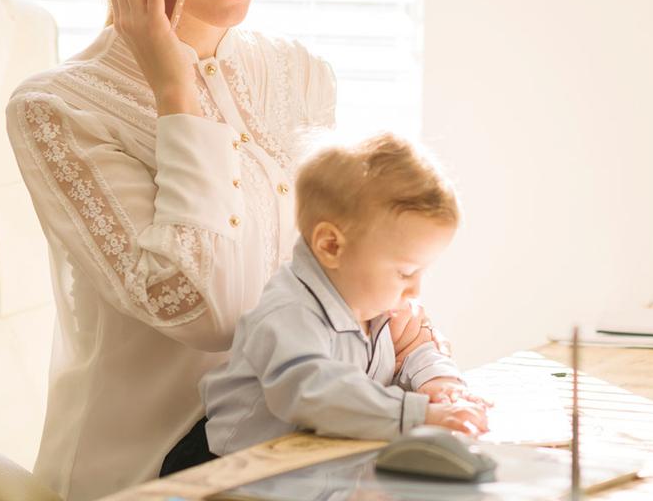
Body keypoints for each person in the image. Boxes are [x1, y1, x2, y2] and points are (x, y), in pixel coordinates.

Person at [5, 0, 439, 499]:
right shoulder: (57, 110)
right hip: (156, 477)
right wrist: (177, 91)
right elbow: (208, 312)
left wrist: (424, 368)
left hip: (302, 452)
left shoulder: (298, 75)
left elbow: (347, 280)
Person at [182, 133, 488, 471]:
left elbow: (416, 346)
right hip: (235, 471)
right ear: (331, 246)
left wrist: (440, 384)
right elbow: (316, 392)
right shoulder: (290, 311)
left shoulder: (371, 303)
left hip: (313, 467)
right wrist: (420, 414)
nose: (415, 289)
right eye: (405, 272)